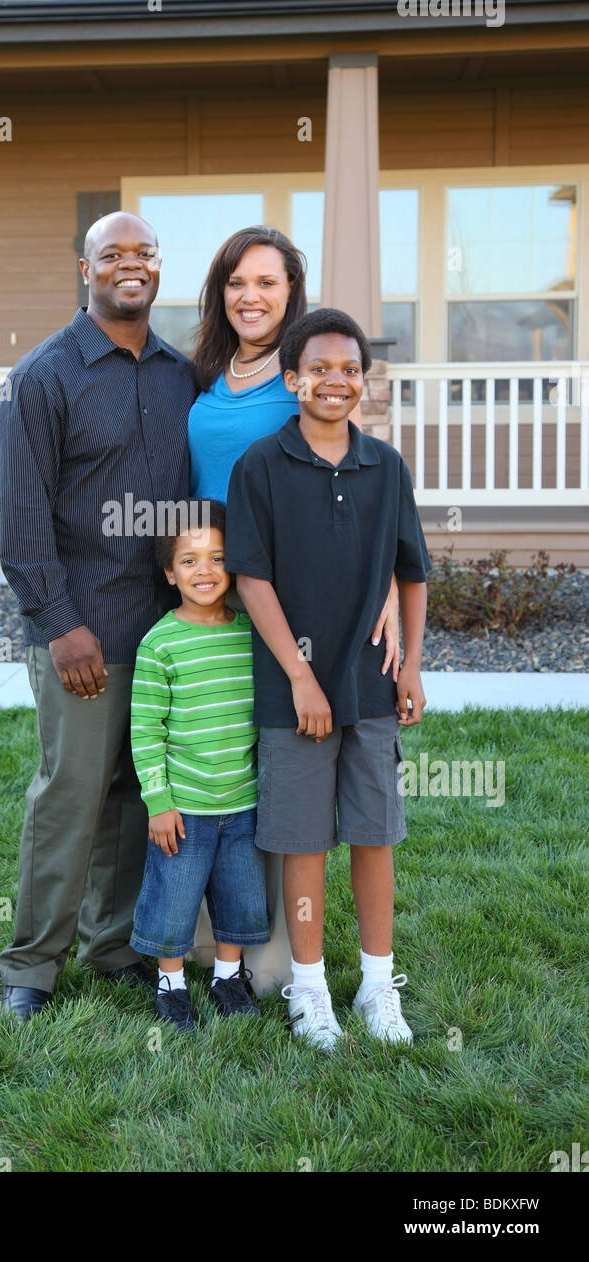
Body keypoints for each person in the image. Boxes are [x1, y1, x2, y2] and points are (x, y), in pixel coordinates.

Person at [0, 211, 198, 1022]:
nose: (130, 264)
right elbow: (22, 515)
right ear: (86, 269)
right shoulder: (44, 375)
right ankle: (31, 968)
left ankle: (112, 946)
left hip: (160, 632)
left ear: (158, 265)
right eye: (113, 253)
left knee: (133, 795)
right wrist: (57, 621)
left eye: (144, 251)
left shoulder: (180, 375)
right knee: (69, 797)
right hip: (82, 631)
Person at [186, 228, 400, 993]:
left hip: (290, 612)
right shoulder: (204, 376)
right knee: (217, 775)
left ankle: (276, 957)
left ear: (291, 294)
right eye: (237, 282)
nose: (251, 296)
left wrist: (391, 606)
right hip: (213, 595)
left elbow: (368, 507)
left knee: (286, 777)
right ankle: (212, 944)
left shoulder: (307, 379)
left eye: (268, 283)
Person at [225, 307, 430, 1048]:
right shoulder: (261, 467)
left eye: (350, 369)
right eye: (319, 368)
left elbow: (412, 573)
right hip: (294, 695)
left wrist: (410, 664)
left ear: (363, 383)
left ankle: (380, 984)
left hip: (372, 685)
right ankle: (309, 990)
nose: (335, 381)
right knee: (305, 840)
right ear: (292, 379)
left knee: (375, 835)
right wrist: (302, 679)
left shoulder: (386, 466)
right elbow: (251, 578)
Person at [128, 499, 269, 1034]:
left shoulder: (250, 633)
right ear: (169, 573)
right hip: (184, 807)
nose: (204, 571)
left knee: (239, 896)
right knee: (174, 898)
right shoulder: (160, 643)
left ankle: (227, 977)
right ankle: (172, 983)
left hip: (243, 801)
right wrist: (159, 802)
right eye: (189, 561)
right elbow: (146, 730)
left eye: (216, 558)